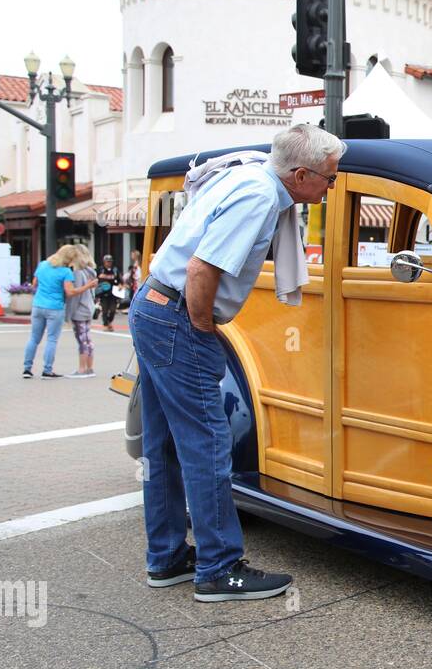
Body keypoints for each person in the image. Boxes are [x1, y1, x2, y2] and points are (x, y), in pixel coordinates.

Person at [131, 123, 343, 602]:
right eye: (329, 178)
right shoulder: (260, 197)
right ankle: (219, 568)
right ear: (302, 175)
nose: (332, 185)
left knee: (164, 444)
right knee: (208, 442)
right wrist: (203, 329)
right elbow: (201, 270)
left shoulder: (251, 176)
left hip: (154, 307)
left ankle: (166, 558)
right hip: (178, 317)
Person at [23, 244, 96, 379]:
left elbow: (34, 284)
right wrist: (88, 286)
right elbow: (70, 292)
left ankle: (27, 369)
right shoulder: (65, 271)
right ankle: (47, 371)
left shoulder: (43, 264)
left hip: (38, 305)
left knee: (33, 338)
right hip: (54, 308)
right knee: (51, 339)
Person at [65, 245, 97, 378]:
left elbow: (75, 295)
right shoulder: (91, 272)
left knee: (81, 340)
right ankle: (90, 368)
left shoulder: (77, 273)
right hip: (89, 307)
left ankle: (82, 369)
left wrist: (68, 314)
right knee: (88, 339)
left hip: (80, 310)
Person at [96, 254, 120, 330]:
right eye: (107, 261)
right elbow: (97, 278)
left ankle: (109, 322)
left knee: (113, 310)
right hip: (103, 293)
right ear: (104, 262)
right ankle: (106, 324)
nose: (109, 263)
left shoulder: (115, 270)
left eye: (110, 262)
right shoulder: (100, 269)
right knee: (104, 310)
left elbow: (120, 280)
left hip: (113, 293)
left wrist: (121, 285)